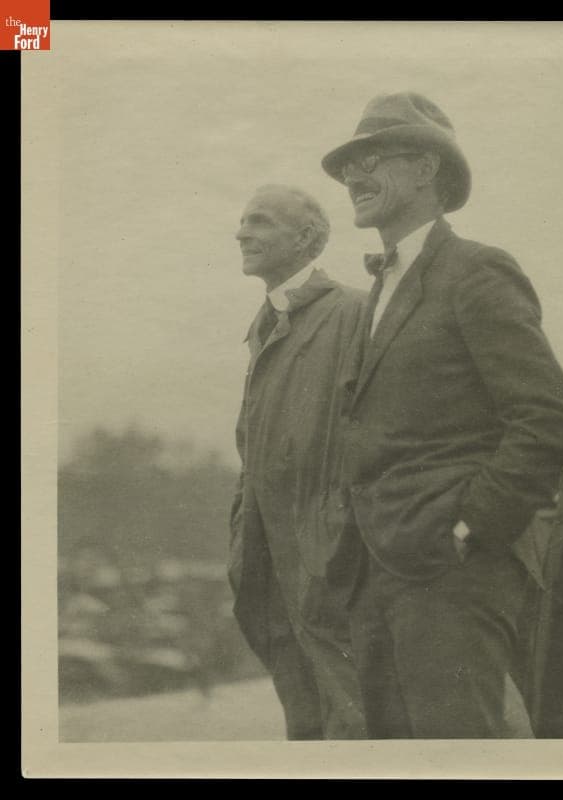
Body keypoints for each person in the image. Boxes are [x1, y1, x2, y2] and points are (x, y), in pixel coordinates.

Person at [320, 92, 563, 738]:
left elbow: (549, 418)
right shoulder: (380, 289)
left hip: (451, 579)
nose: (353, 176)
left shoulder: (475, 272)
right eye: (348, 165)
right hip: (376, 576)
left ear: (426, 169)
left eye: (372, 158)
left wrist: (470, 528)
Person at [228, 184, 367, 739]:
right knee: (306, 722)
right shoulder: (264, 326)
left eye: (259, 221)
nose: (241, 233)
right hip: (269, 566)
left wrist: (333, 534)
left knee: (355, 721)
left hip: (330, 567)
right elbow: (252, 451)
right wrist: (242, 531)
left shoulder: (354, 313)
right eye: (242, 221)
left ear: (307, 237)